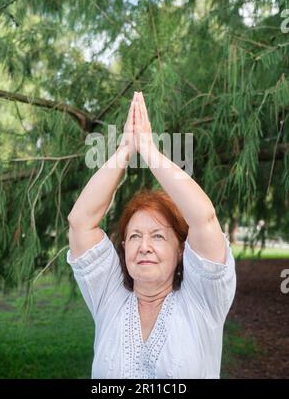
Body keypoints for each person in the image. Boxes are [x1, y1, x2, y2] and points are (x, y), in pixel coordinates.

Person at [67, 91, 236, 379]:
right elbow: (80, 222)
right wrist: (124, 151)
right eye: (134, 236)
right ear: (124, 246)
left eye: (158, 236)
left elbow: (204, 219)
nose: (144, 246)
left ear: (181, 249)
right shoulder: (109, 295)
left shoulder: (203, 299)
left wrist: (149, 152)